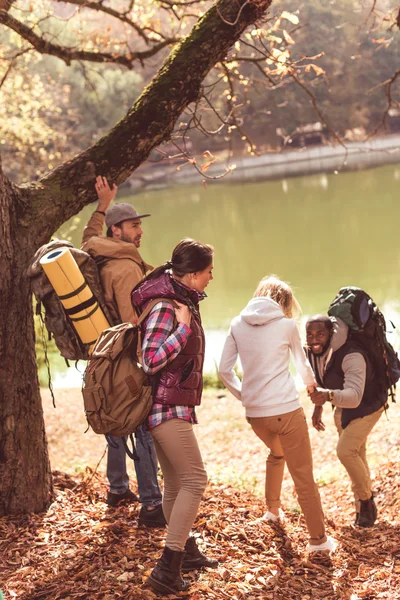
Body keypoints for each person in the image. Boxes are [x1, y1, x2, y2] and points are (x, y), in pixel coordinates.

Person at [218, 276, 336, 553]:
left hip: (256, 415)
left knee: (277, 453)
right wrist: (311, 386)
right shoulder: (286, 326)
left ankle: (273, 510)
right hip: (285, 410)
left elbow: (225, 370)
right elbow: (301, 362)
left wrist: (244, 395)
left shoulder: (237, 323)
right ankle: (318, 541)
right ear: (283, 303)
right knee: (303, 474)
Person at [131, 238, 218, 596]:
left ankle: (186, 552)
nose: (212, 277)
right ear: (194, 274)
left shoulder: (181, 302)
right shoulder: (168, 307)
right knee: (196, 480)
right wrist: (182, 330)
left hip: (171, 407)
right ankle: (168, 569)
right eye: (210, 272)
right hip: (166, 410)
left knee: (177, 484)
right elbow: (150, 360)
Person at [81, 175, 165, 528]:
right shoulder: (127, 266)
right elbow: (136, 321)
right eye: (133, 226)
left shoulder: (99, 254)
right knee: (140, 424)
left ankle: (117, 488)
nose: (139, 232)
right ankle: (152, 504)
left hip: (104, 354)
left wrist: (102, 206)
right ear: (116, 232)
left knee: (116, 418)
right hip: (127, 355)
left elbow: (87, 237)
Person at [306, 314, 385, 528]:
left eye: (320, 334)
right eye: (310, 334)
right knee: (357, 455)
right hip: (343, 407)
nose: (314, 340)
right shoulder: (313, 352)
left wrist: (328, 396)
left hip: (369, 405)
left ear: (331, 334)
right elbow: (319, 378)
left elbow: (355, 396)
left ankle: (367, 502)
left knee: (345, 451)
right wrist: (318, 406)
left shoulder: (352, 356)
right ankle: (361, 509)